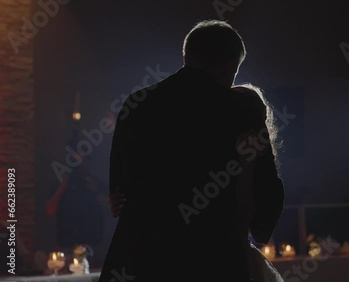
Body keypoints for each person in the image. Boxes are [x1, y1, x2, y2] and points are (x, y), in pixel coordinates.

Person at [99, 20, 285, 282]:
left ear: (188, 55)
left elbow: (119, 194)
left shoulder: (136, 104)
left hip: (137, 258)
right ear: (230, 65)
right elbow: (265, 189)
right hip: (211, 258)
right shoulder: (239, 108)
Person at [45, 152, 107, 254]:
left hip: (92, 244)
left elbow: (111, 209)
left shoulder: (95, 182)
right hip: (67, 244)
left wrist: (95, 191)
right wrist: (62, 187)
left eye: (82, 161)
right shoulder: (62, 184)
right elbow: (49, 210)